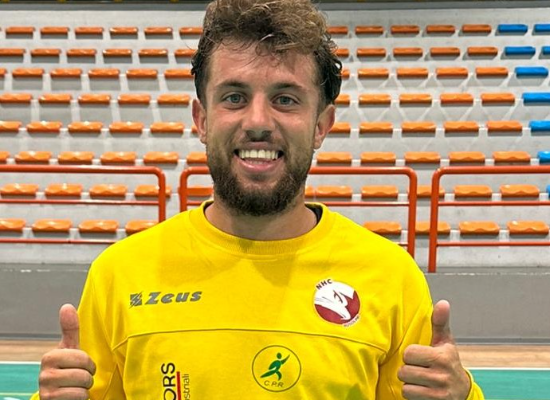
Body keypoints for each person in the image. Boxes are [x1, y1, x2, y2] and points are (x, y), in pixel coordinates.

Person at [33, 0, 485, 399]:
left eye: (285, 99)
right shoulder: (120, 275)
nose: (257, 122)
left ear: (321, 125)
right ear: (202, 119)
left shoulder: (390, 277)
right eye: (234, 97)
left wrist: (461, 396)